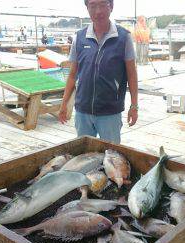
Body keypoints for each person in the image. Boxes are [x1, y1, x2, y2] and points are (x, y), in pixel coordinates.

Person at [59, 0, 138, 144]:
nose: (98, 11)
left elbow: (132, 74)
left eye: (103, 5)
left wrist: (134, 105)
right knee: (83, 156)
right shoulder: (79, 37)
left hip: (110, 112)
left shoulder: (123, 37)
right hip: (83, 111)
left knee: (111, 156)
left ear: (111, 6)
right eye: (93, 5)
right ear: (87, 7)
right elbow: (72, 75)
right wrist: (64, 103)